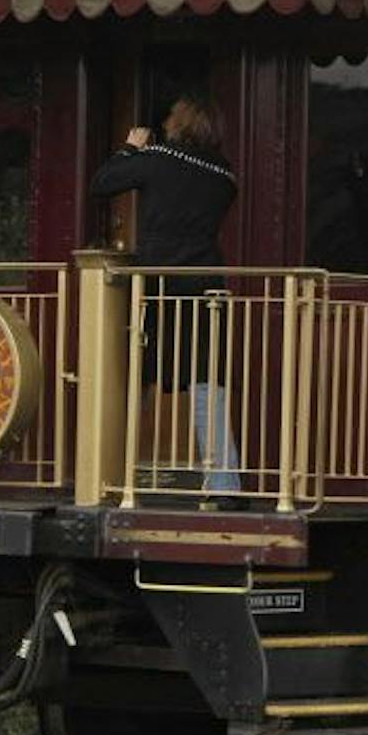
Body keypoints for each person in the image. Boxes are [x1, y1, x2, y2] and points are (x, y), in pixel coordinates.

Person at [89, 96, 244, 499]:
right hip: (206, 282)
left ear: (176, 124)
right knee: (207, 379)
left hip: (156, 279)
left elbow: (102, 183)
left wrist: (131, 148)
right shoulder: (223, 174)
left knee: (136, 373)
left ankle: (111, 474)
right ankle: (225, 485)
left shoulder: (159, 157)